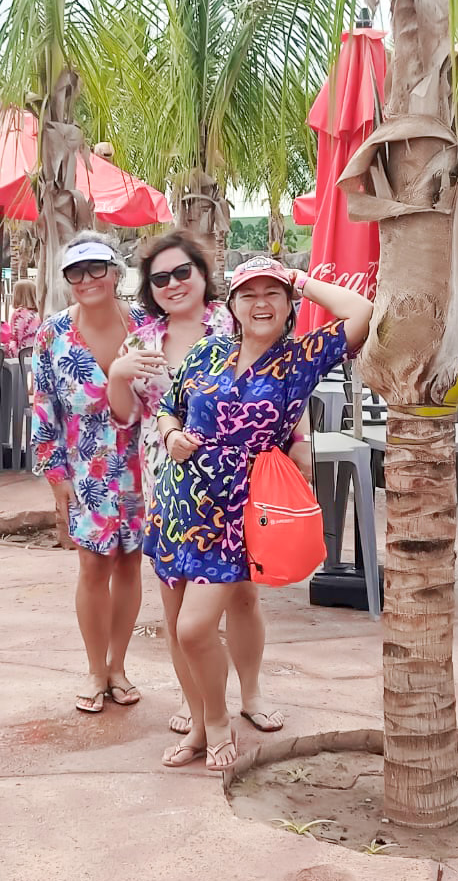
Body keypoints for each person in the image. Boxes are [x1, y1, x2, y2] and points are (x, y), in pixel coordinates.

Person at [144, 256, 373, 771]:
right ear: (232, 305)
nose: (261, 303)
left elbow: (361, 311)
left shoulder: (300, 358)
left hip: (240, 506)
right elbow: (168, 406)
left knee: (195, 628)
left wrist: (300, 279)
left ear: (290, 304)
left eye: (273, 293)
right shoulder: (207, 350)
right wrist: (171, 433)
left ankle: (221, 717)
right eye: (248, 294)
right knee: (176, 619)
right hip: (180, 499)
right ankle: (199, 722)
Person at [108, 229, 309, 736]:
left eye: (182, 272)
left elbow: (287, 388)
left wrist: (301, 439)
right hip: (168, 474)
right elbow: (126, 414)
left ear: (203, 275)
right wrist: (117, 375)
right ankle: (194, 701)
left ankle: (251, 691)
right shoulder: (141, 340)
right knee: (176, 600)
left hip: (241, 479)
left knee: (243, 594)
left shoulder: (240, 315)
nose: (173, 284)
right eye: (160, 278)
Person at [32, 232, 144, 714]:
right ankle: (96, 669)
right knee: (93, 566)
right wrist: (55, 476)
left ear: (115, 272)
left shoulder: (145, 325)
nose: (87, 279)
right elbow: (44, 407)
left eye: (96, 268)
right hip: (85, 468)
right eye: (75, 271)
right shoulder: (52, 334)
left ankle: (119, 666)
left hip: (141, 464)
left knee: (130, 563)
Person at [2, 279, 41, 357]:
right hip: (38, 353)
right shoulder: (39, 313)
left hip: (23, 355)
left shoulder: (19, 314)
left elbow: (16, 340)